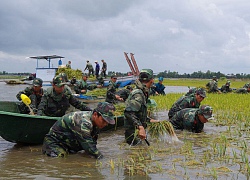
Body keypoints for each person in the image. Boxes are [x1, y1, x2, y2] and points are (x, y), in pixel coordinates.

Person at [42, 102, 116, 159]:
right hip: (55, 143)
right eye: (104, 120)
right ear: (95, 114)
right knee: (60, 160)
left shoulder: (96, 123)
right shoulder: (83, 122)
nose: (106, 124)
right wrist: (103, 159)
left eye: (108, 121)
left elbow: (92, 143)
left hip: (70, 144)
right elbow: (89, 147)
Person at [124, 69, 160, 146]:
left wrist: (149, 120)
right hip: (133, 132)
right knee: (136, 151)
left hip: (137, 129)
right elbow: (129, 113)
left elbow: (139, 113)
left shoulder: (144, 92)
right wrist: (140, 127)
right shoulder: (138, 94)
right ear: (151, 80)